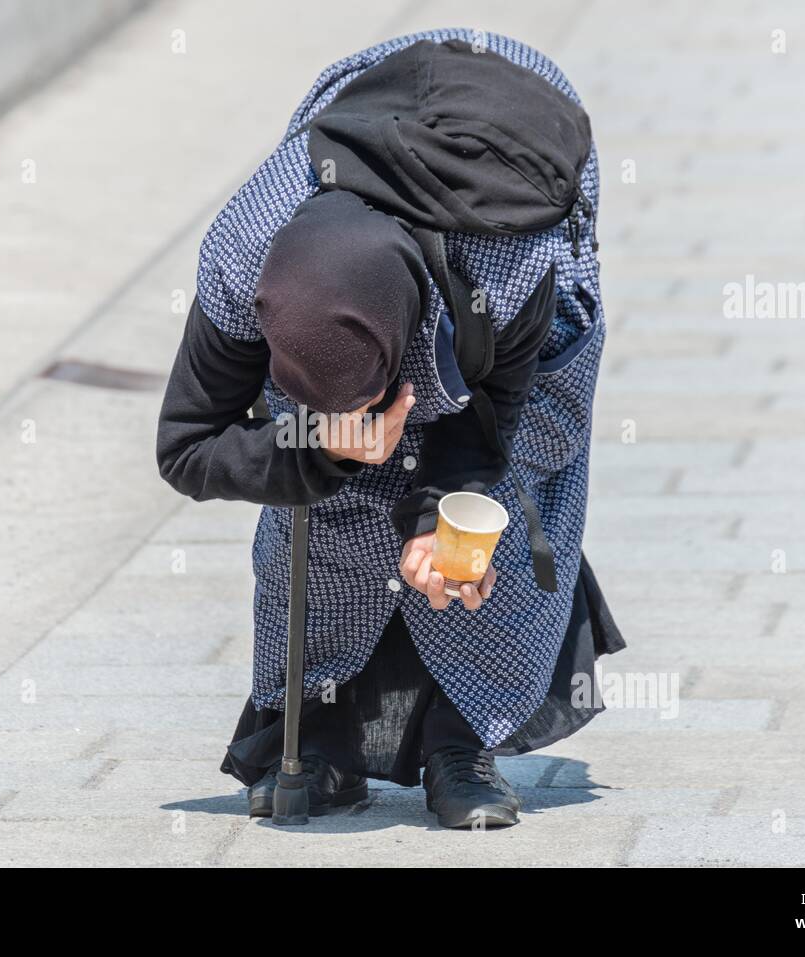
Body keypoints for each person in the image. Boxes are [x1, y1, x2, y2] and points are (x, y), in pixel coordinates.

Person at [156, 30, 624, 829]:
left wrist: (441, 504)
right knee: (338, 508)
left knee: (494, 508)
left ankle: (460, 740)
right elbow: (187, 447)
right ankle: (322, 731)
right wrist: (313, 452)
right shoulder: (242, 257)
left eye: (365, 398)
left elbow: (491, 420)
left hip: (520, 177)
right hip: (389, 144)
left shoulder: (510, 264)